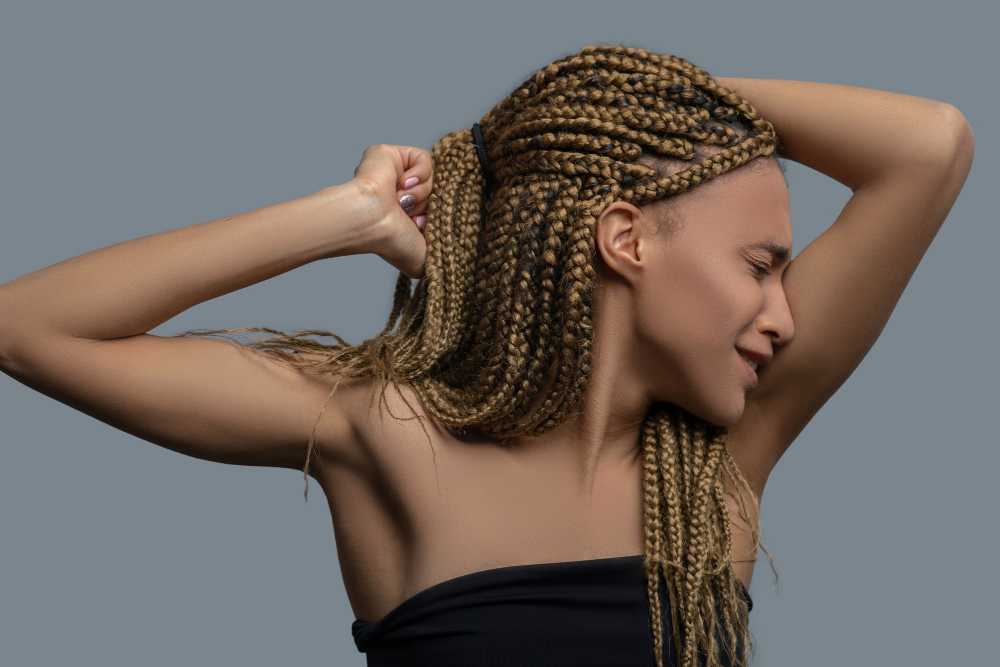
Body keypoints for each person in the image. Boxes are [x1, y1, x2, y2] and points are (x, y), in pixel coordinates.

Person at [0, 45, 974, 667]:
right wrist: (346, 218)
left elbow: (929, 146)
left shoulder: (718, 461)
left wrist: (629, 108)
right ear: (625, 239)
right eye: (759, 267)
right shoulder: (380, 428)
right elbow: (27, 329)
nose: (784, 316)